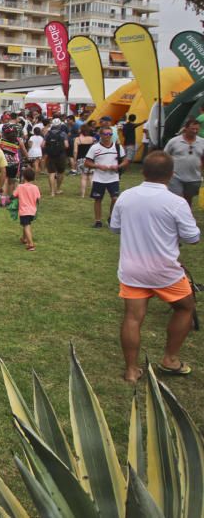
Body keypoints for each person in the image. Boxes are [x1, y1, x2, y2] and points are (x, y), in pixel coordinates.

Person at [111, 151, 200, 382]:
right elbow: (193, 238)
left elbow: (115, 227)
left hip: (132, 270)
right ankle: (170, 359)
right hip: (165, 271)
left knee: (132, 317)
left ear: (143, 172)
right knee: (185, 307)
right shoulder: (176, 202)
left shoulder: (126, 196)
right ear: (171, 175)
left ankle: (131, 370)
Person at [85, 127, 129, 228]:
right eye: (105, 134)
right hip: (99, 178)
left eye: (110, 134)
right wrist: (98, 166)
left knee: (115, 198)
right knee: (98, 199)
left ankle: (111, 218)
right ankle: (98, 221)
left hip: (113, 177)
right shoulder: (95, 148)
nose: (108, 136)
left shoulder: (117, 147)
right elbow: (87, 162)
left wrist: (118, 166)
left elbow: (125, 160)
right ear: (100, 135)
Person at [164, 117, 204, 208]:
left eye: (197, 129)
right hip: (176, 176)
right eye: (192, 129)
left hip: (194, 177)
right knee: (177, 198)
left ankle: (186, 216)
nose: (195, 131)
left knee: (188, 199)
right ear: (185, 128)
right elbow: (165, 155)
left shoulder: (202, 142)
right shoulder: (174, 141)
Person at [13, 167, 41, 251]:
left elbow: (14, 195)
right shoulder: (35, 187)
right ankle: (24, 238)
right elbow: (38, 198)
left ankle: (31, 244)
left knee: (26, 225)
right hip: (32, 210)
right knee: (26, 224)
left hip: (24, 210)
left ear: (23, 177)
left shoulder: (20, 186)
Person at [44, 119, 70, 196]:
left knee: (51, 173)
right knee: (60, 172)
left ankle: (52, 192)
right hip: (61, 155)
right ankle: (57, 189)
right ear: (59, 125)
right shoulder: (63, 134)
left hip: (50, 155)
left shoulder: (48, 133)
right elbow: (66, 145)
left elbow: (42, 144)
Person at [73, 123, 97, 198]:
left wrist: (74, 160)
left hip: (81, 159)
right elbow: (96, 150)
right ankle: (94, 193)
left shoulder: (77, 139)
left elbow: (75, 151)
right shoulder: (93, 139)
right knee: (91, 177)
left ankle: (82, 195)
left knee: (83, 177)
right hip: (91, 159)